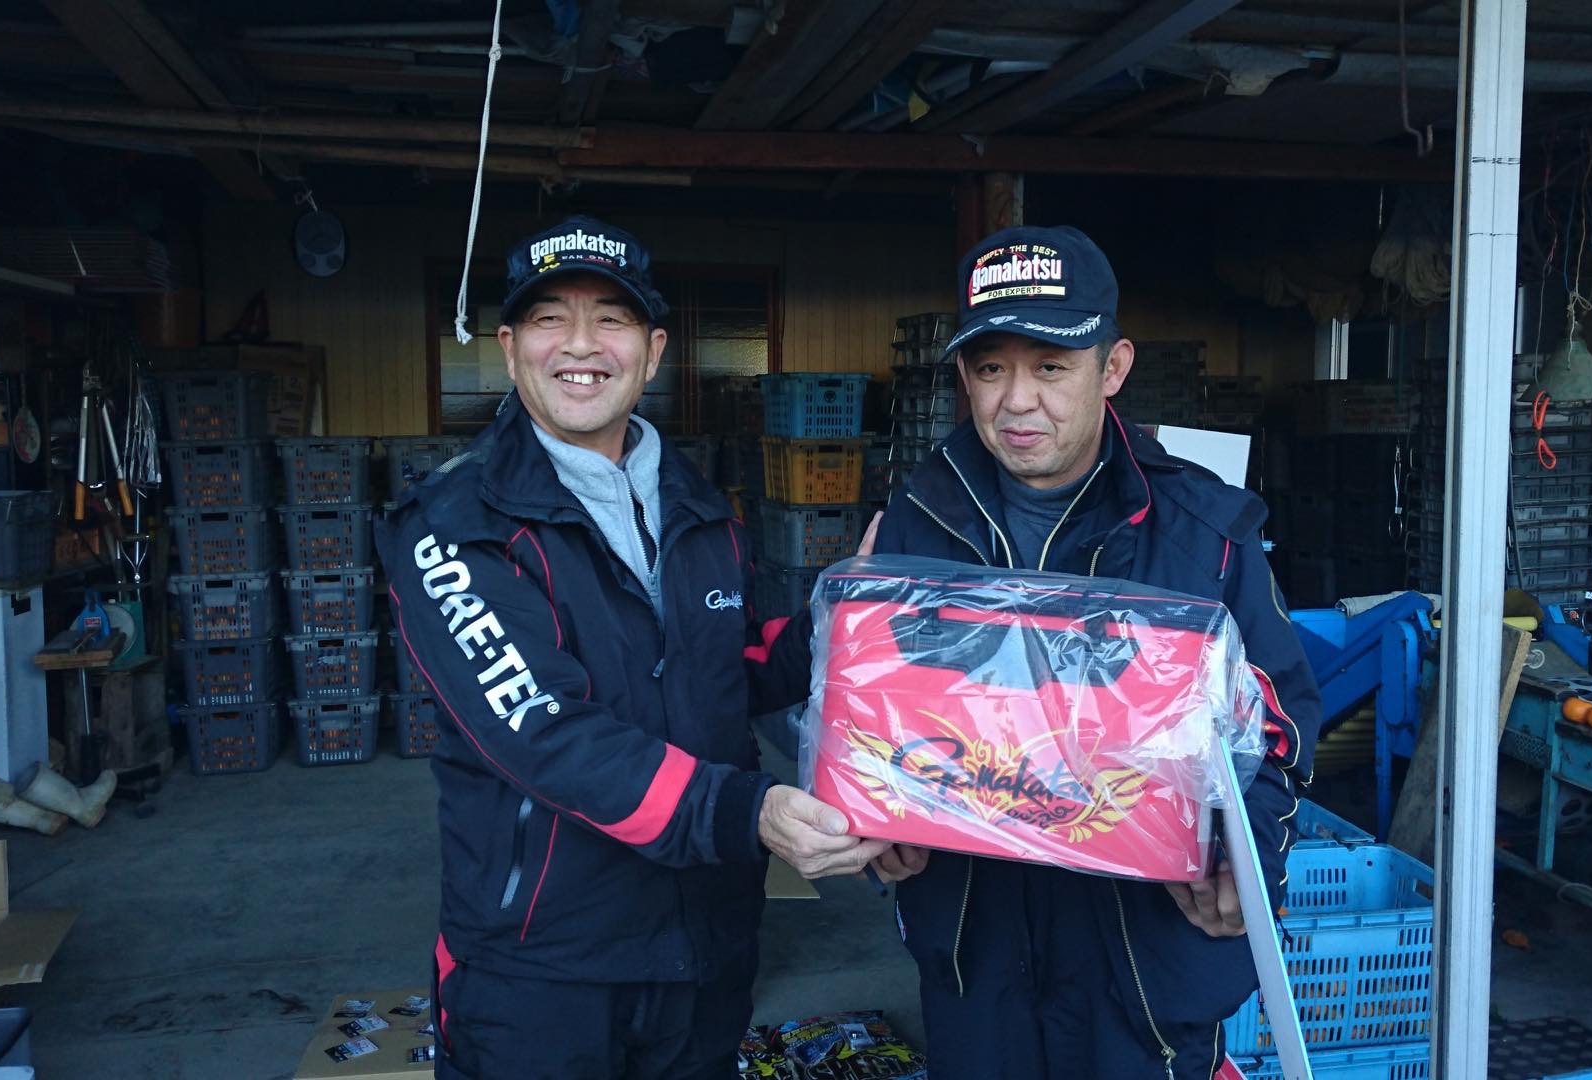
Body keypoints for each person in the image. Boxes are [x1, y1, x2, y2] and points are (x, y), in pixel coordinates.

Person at [377, 215, 884, 1080]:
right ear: (511, 350)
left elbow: (735, 669)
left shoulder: (701, 508)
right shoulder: (452, 528)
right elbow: (547, 734)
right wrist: (749, 813)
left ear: (652, 354)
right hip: (542, 968)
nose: (581, 344)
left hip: (705, 945)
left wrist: (848, 617)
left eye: (610, 318)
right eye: (550, 318)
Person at [863, 225, 1319, 1080]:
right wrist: (880, 821)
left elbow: (1278, 725)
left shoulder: (1205, 535)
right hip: (976, 953)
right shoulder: (916, 525)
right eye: (990, 369)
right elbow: (882, 718)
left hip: (1145, 963)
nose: (1017, 401)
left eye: (1050, 367)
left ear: (1112, 369)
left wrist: (1243, 855)